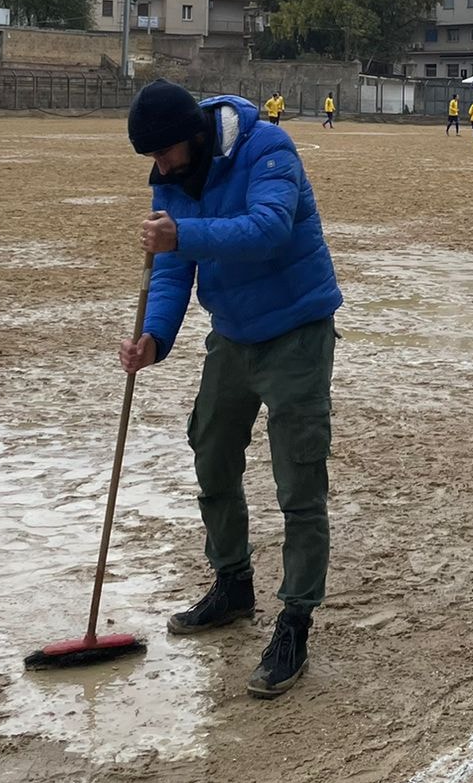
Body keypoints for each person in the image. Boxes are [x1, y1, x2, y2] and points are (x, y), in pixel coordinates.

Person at [120, 80, 342, 700]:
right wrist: (154, 340)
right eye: (152, 159)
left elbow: (267, 229)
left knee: (298, 481)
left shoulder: (268, 148)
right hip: (234, 335)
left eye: (164, 153)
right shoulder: (170, 179)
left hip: (297, 330)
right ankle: (233, 584)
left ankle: (295, 620)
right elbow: (170, 271)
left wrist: (182, 236)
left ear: (193, 135)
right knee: (211, 451)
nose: (159, 168)